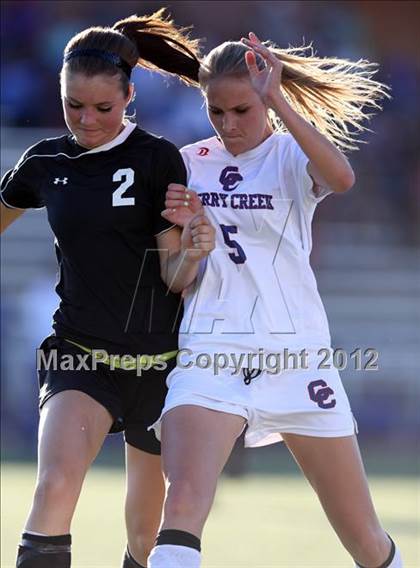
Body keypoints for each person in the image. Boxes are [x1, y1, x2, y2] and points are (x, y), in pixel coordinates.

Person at [144, 33, 403, 568]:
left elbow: (342, 178)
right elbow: (175, 279)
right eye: (216, 111)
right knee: (184, 500)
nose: (229, 124)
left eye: (242, 108)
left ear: (265, 99)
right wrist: (192, 246)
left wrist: (281, 97)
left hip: (297, 355)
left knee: (366, 540)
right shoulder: (186, 163)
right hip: (211, 351)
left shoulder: (290, 153)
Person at [0, 10, 214, 568]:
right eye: (74, 105)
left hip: (159, 366)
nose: (87, 120)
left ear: (128, 98)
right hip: (79, 356)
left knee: (145, 538)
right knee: (54, 489)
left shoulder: (157, 157)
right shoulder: (43, 162)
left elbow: (174, 277)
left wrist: (193, 247)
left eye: (103, 107)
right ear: (60, 93)